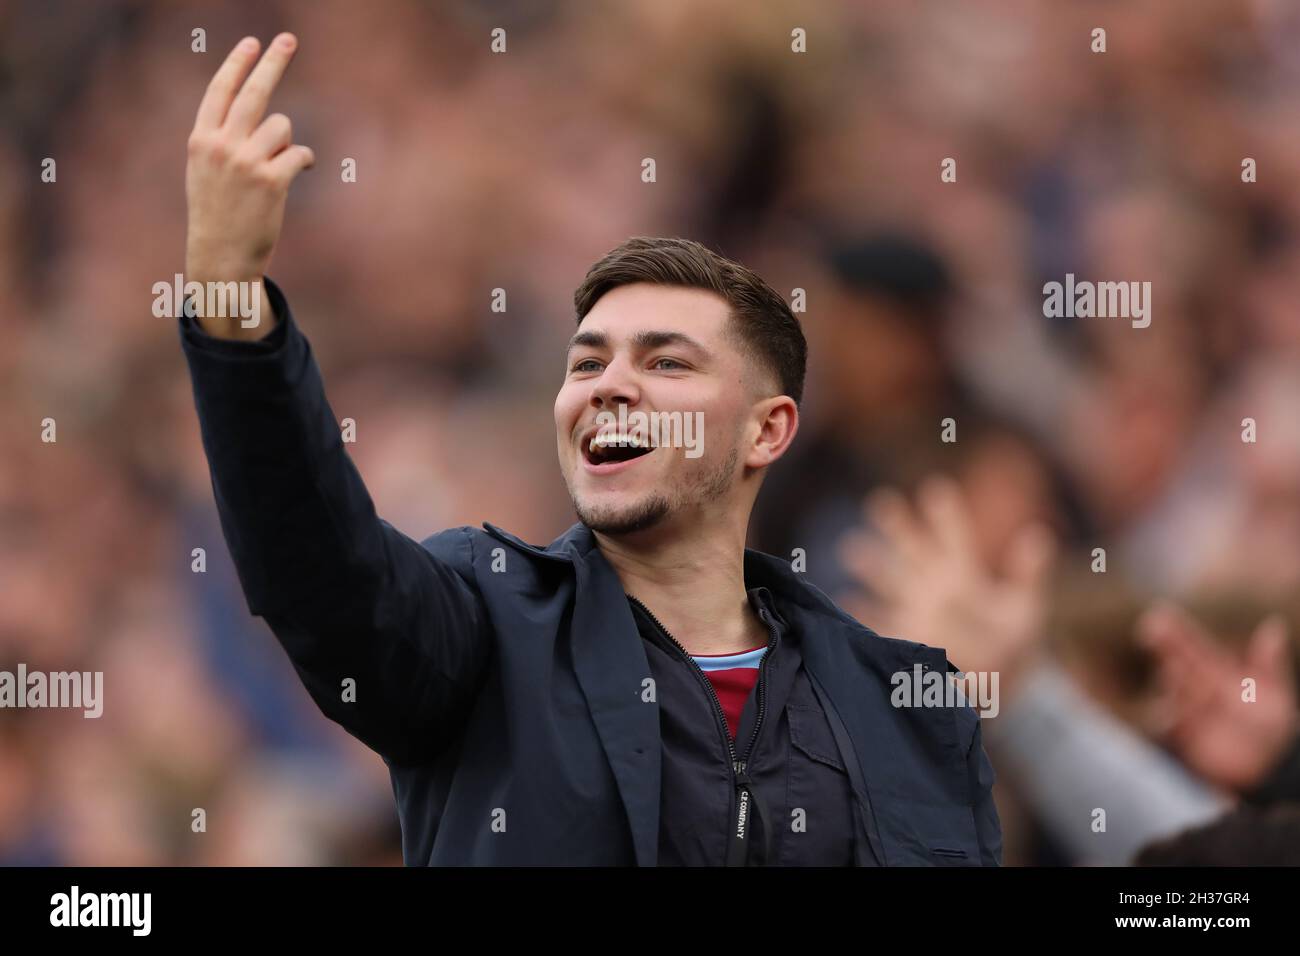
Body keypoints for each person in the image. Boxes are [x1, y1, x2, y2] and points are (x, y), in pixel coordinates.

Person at [177, 33, 1001, 866]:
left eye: (666, 361)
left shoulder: (893, 705)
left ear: (768, 429)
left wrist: (1020, 699)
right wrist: (226, 292)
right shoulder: (484, 631)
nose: (609, 384)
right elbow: (319, 573)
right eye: (586, 361)